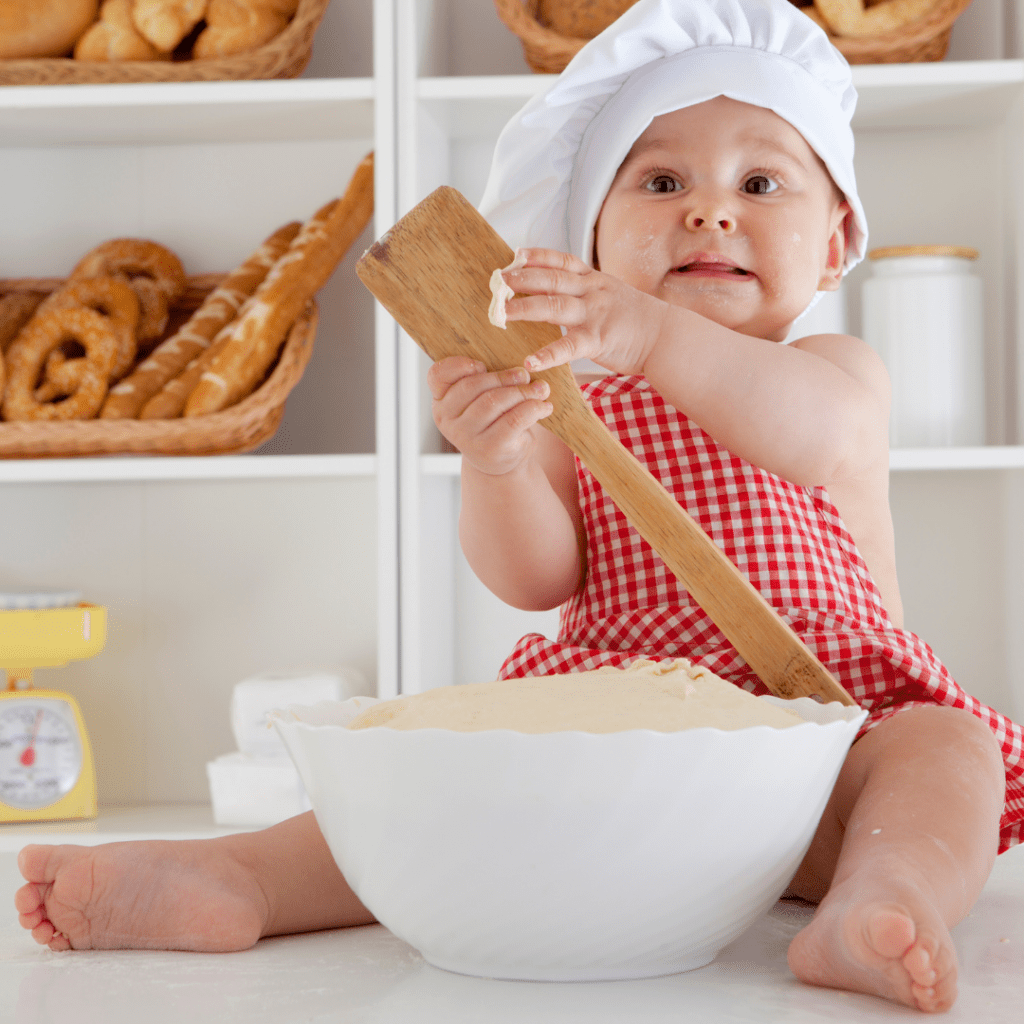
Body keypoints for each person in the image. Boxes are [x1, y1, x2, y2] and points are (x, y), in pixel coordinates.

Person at [13, 0, 1023, 1014]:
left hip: (825, 746)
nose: (709, 212)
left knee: (945, 751)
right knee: (433, 773)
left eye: (760, 183)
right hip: (620, 744)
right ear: (589, 239)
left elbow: (815, 437)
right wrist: (495, 459)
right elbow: (537, 576)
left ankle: (879, 895)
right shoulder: (573, 402)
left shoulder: (831, 371)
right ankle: (245, 876)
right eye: (661, 182)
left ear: (839, 236)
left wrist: (644, 336)